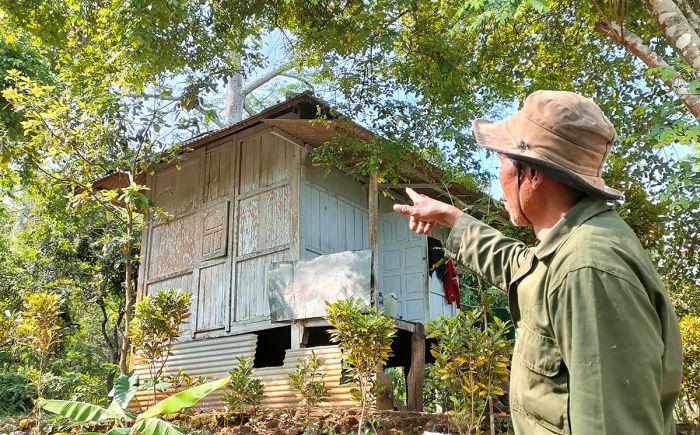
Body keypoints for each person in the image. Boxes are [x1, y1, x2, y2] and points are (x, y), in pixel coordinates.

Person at [393, 90, 682, 434]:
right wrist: (453, 218)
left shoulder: (588, 268)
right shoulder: (573, 244)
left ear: (532, 174)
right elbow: (522, 267)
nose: (498, 177)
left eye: (501, 163)